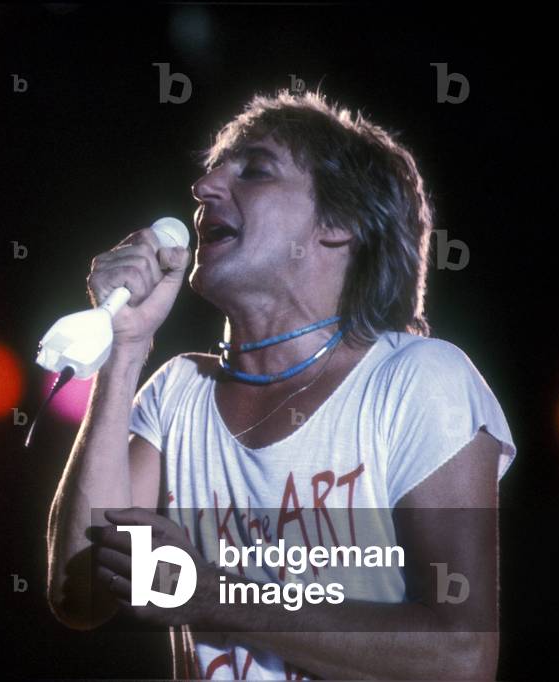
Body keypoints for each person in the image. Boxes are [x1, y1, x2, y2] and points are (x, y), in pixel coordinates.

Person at [46, 89, 516, 680]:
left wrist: (210, 594)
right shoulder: (176, 392)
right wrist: (126, 348)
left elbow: (463, 658)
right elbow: (80, 596)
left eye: (256, 171)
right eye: (213, 171)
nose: (205, 188)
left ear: (339, 224)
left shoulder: (419, 381)